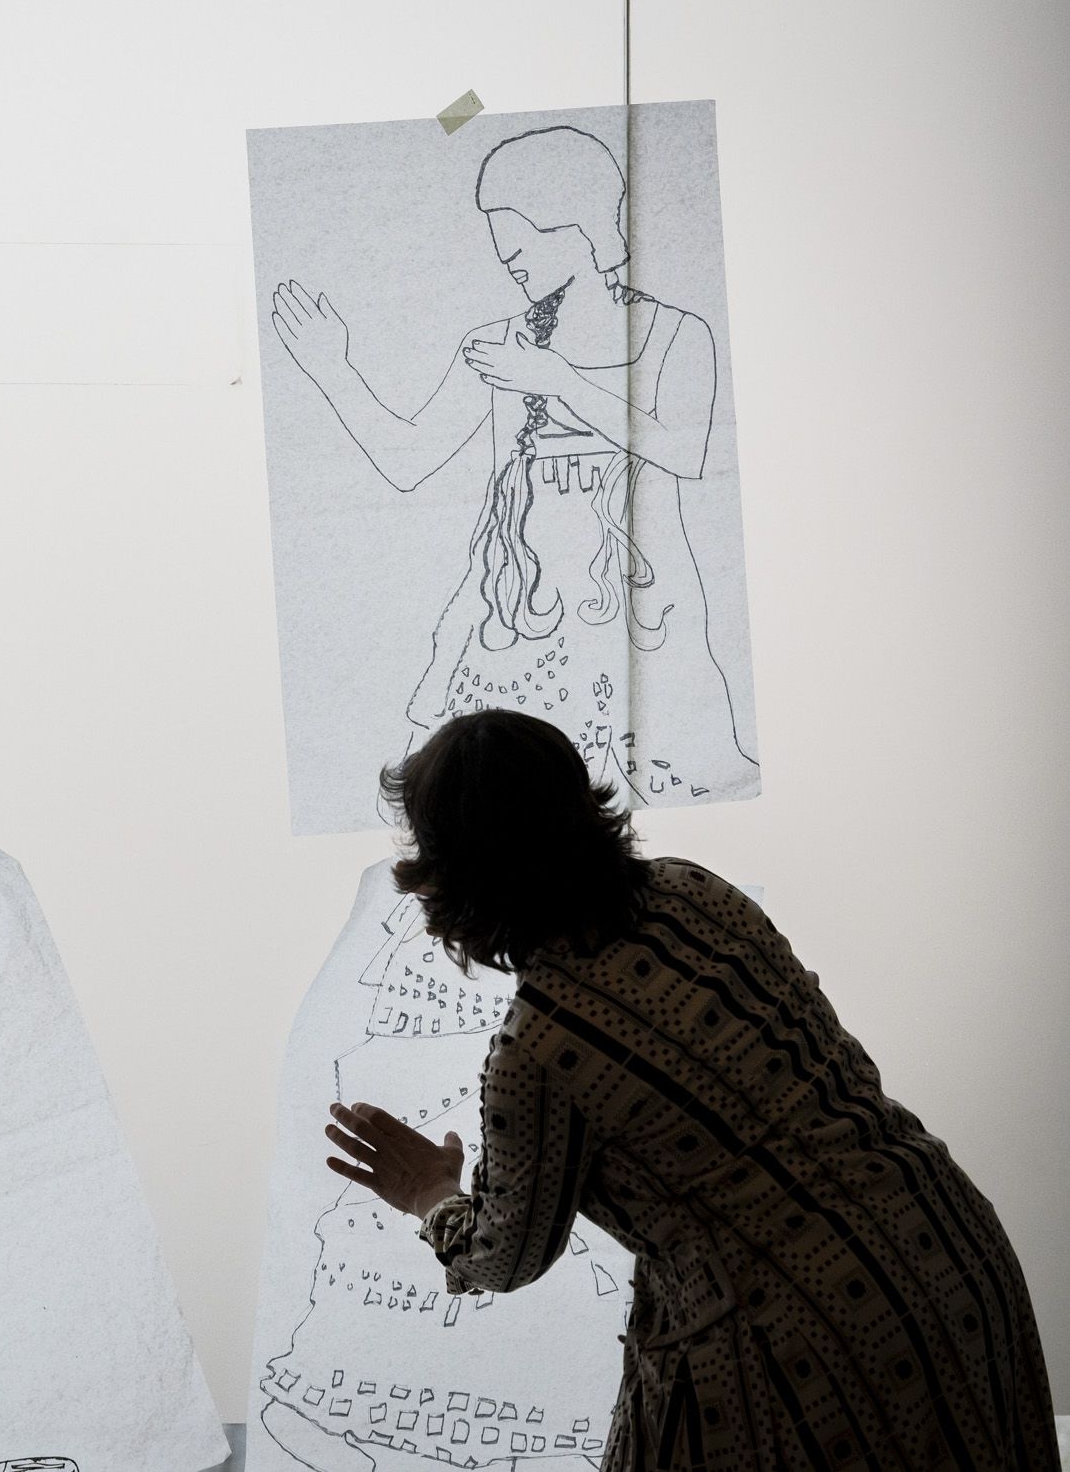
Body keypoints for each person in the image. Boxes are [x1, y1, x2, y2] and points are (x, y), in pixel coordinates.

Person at [324, 708, 1056, 1471]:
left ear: (460, 875)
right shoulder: (695, 890)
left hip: (811, 1344)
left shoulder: (537, 1049)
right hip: (946, 1250)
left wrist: (430, 1193)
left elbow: (505, 1256)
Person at [271, 124, 755, 805]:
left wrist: (558, 380)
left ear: (575, 225)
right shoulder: (495, 344)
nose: (507, 258)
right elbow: (409, 460)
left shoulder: (677, 334)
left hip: (644, 621)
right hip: (516, 617)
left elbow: (688, 450)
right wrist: (333, 369)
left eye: (518, 237)